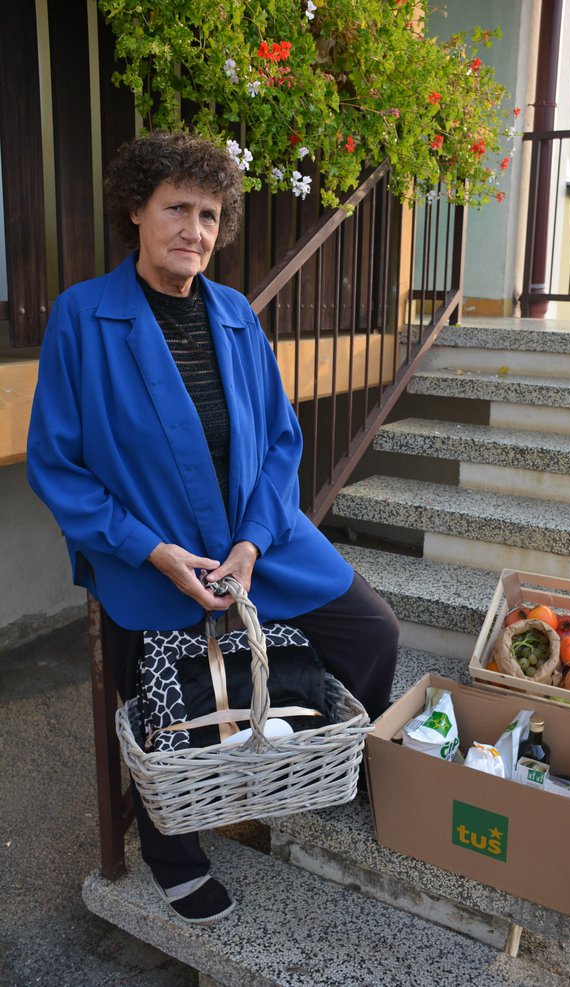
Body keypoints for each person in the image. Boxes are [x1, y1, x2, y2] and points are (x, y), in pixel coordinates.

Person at [27, 131, 399, 925]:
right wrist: (152, 551)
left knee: (372, 631)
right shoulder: (82, 318)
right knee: (168, 699)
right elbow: (58, 467)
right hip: (147, 545)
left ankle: (309, 757)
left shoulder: (233, 314)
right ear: (137, 210)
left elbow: (279, 441)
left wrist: (251, 544)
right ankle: (171, 846)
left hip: (255, 537)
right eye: (175, 209)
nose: (193, 229)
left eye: (208, 213)